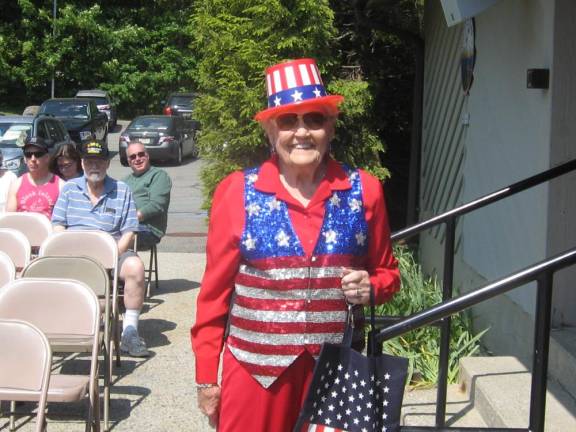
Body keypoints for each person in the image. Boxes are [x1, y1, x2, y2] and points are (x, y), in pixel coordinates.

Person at [191, 58, 400, 431]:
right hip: (255, 374)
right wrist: (207, 377)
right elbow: (213, 297)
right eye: (288, 121)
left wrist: (372, 287)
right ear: (270, 131)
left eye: (314, 119)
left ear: (330, 127)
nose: (301, 132)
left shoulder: (364, 189)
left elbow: (388, 275)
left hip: (335, 372)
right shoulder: (237, 191)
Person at [51, 140, 150, 357]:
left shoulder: (122, 190)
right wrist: (65, 249)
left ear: (107, 164)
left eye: (99, 161)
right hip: (75, 255)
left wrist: (112, 253)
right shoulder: (69, 189)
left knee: (135, 266)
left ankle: (129, 333)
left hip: (112, 252)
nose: (94, 166)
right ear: (83, 164)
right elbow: (57, 223)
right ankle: (59, 329)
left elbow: (130, 230)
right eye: (89, 161)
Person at [123, 142, 172, 248]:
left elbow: (156, 205)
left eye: (141, 154)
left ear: (147, 156)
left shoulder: (158, 175)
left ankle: (126, 263)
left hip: (148, 229)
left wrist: (131, 219)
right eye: (133, 156)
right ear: (129, 161)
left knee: (114, 239)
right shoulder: (125, 181)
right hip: (126, 226)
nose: (137, 159)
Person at [6, 136, 65, 218]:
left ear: (47, 158)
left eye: (38, 154)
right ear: (25, 159)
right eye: (28, 154)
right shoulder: (16, 185)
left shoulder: (61, 186)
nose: (33, 159)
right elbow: (9, 218)